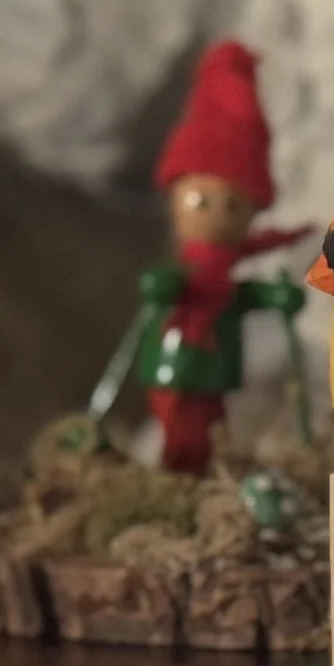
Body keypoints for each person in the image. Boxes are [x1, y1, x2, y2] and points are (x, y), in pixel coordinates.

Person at [90, 40, 310, 473]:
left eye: (234, 206)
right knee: (179, 431)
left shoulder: (226, 282)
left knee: (211, 431)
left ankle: (196, 481)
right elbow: (166, 285)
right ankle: (176, 480)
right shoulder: (188, 276)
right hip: (177, 362)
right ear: (175, 200)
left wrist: (276, 297)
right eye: (202, 201)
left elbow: (242, 296)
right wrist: (163, 288)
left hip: (215, 370)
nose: (219, 215)